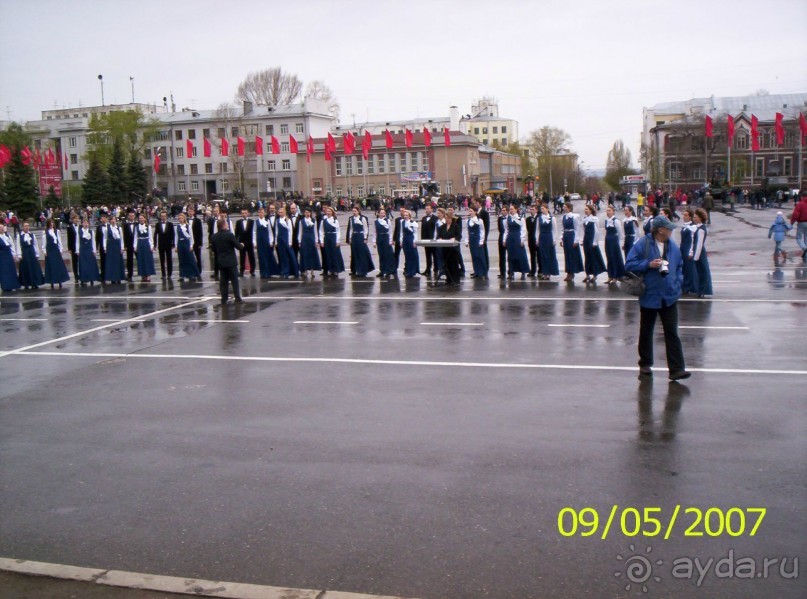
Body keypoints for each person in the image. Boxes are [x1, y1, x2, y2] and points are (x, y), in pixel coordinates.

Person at [625, 216, 690, 381]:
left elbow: (680, 266)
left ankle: (676, 369)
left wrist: (677, 283)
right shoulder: (643, 244)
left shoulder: (672, 246)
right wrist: (648, 264)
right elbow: (629, 264)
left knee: (672, 332)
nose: (671, 230)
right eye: (669, 228)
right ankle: (645, 364)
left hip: (669, 295)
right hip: (650, 295)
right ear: (661, 230)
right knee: (646, 331)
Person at [210, 217, 243, 304]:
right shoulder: (229, 235)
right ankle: (237, 298)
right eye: (227, 224)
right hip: (231, 261)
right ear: (224, 225)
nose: (228, 225)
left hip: (221, 261)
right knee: (234, 280)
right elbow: (238, 246)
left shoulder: (214, 237)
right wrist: (242, 244)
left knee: (223, 282)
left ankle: (224, 299)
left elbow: (213, 249)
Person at [581, 204, 607, 284]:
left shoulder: (595, 219)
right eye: (585, 209)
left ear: (591, 210)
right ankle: (587, 274)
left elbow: (597, 231)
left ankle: (595, 275)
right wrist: (582, 240)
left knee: (593, 257)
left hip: (592, 240)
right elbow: (582, 230)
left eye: (587, 209)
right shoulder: (584, 219)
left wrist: (595, 241)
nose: (585, 211)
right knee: (587, 257)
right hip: (586, 239)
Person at [690, 208, 713, 298]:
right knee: (701, 272)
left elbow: (699, 244)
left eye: (695, 217)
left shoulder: (701, 229)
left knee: (702, 272)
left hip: (699, 254)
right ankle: (701, 290)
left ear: (700, 218)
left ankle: (702, 290)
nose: (694, 218)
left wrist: (695, 257)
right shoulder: (700, 228)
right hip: (699, 253)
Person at [503, 204, 530, 280]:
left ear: (516, 209)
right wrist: (504, 239)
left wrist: (522, 239)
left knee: (520, 256)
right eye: (510, 209)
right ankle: (511, 272)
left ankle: (523, 272)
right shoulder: (508, 219)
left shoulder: (520, 218)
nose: (510, 210)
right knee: (511, 256)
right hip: (510, 238)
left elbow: (523, 229)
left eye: (512, 209)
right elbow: (506, 230)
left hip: (517, 237)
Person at [346, 206, 374, 277]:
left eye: (355, 211)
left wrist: (365, 238)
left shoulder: (363, 218)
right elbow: (351, 229)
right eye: (353, 211)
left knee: (362, 253)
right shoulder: (351, 219)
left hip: (360, 236)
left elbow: (366, 228)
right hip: (354, 236)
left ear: (358, 211)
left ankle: (362, 270)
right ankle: (355, 270)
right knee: (354, 253)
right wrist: (350, 238)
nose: (354, 212)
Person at [437, 207, 462, 285]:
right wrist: (440, 238)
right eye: (446, 218)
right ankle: (449, 279)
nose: (447, 219)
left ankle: (455, 279)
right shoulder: (442, 227)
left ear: (451, 218)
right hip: (445, 248)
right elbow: (439, 235)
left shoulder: (456, 226)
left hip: (453, 249)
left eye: (448, 218)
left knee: (454, 263)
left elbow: (459, 236)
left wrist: (454, 238)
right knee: (447, 263)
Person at [42, 218, 70, 289]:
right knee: (51, 266)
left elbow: (59, 241)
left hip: (56, 250)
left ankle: (60, 281)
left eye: (52, 222)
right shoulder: (45, 232)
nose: (52, 224)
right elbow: (44, 243)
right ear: (48, 224)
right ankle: (52, 282)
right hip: (50, 250)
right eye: (50, 223)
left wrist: (61, 250)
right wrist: (44, 251)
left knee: (58, 266)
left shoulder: (57, 231)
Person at [17, 221, 45, 289]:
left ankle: (35, 283)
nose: (27, 227)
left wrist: (37, 254)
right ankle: (26, 284)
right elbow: (18, 245)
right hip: (24, 252)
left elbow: (35, 244)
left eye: (27, 226)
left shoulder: (32, 235)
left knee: (33, 268)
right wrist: (19, 255)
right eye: (25, 226)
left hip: (31, 252)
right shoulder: (19, 235)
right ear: (23, 227)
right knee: (26, 268)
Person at [560, 202, 584, 282]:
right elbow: (562, 229)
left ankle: (572, 272)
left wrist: (576, 240)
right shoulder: (563, 217)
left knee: (572, 255)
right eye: (563, 207)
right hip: (566, 236)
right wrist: (561, 239)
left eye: (565, 207)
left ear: (569, 208)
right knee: (567, 255)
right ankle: (568, 272)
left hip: (572, 235)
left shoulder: (575, 217)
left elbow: (577, 229)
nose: (563, 208)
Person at [319, 206, 345, 277]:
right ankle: (330, 269)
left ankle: (336, 269)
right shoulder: (323, 221)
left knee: (335, 254)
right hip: (327, 238)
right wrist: (321, 241)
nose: (328, 212)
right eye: (327, 211)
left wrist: (337, 241)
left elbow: (338, 231)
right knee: (328, 254)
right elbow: (321, 231)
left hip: (333, 238)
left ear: (332, 212)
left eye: (329, 211)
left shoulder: (335, 221)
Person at [275, 206, 300, 279]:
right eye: (279, 212)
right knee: (283, 256)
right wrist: (276, 241)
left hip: (286, 239)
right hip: (280, 240)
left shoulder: (288, 220)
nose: (280, 213)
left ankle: (295, 271)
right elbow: (276, 231)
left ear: (285, 212)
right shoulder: (277, 220)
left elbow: (290, 231)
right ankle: (284, 271)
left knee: (291, 255)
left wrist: (290, 242)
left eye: (281, 212)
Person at [603, 205, 626, 284]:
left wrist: (621, 243)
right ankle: (610, 275)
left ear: (613, 212)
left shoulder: (615, 221)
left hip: (614, 241)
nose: (608, 212)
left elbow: (620, 233)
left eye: (609, 210)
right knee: (609, 258)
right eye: (607, 210)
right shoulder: (606, 220)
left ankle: (616, 276)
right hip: (608, 240)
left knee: (614, 258)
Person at [255, 207, 280, 278]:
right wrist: (254, 243)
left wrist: (271, 241)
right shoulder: (256, 222)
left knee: (268, 256)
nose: (261, 214)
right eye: (259, 212)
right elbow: (254, 233)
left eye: (262, 212)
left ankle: (269, 272)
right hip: (259, 241)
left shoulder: (267, 221)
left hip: (266, 241)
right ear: (258, 213)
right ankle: (263, 272)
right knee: (261, 257)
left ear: (264, 213)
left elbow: (270, 232)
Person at [175, 213, 201, 281]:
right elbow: (176, 237)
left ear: (184, 219)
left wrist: (191, 245)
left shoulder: (188, 226)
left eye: (182, 218)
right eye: (179, 218)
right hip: (180, 243)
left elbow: (191, 237)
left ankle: (192, 274)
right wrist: (176, 246)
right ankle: (182, 275)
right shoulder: (177, 227)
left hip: (186, 243)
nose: (181, 220)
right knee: (181, 260)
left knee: (190, 259)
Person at [536, 203, 559, 280]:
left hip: (549, 237)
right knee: (543, 255)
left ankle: (549, 272)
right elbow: (537, 230)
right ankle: (544, 272)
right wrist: (537, 239)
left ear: (547, 209)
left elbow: (555, 230)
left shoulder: (552, 218)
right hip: (542, 237)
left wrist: (554, 239)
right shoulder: (539, 218)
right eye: (541, 208)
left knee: (549, 255)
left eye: (543, 208)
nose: (542, 210)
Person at [298, 208, 322, 278]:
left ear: (310, 213)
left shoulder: (314, 221)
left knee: (312, 254)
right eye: (306, 212)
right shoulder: (301, 221)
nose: (307, 214)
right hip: (304, 239)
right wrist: (299, 241)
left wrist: (316, 241)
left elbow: (315, 231)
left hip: (312, 239)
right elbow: (300, 232)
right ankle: (305, 270)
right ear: (304, 213)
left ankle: (312, 270)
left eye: (308, 212)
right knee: (305, 254)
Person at [76, 217, 100, 286]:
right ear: (82, 224)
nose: (86, 224)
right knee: (83, 265)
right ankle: (84, 279)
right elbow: (77, 242)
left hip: (89, 249)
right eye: (84, 223)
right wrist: (77, 250)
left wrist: (94, 250)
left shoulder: (91, 231)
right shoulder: (79, 231)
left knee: (90, 265)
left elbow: (93, 242)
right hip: (83, 250)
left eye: (87, 223)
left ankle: (92, 278)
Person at [679, 209, 698, 294]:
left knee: (689, 269)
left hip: (688, 248)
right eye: (684, 215)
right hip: (683, 248)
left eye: (686, 215)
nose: (684, 216)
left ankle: (690, 286)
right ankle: (684, 286)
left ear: (690, 216)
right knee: (684, 268)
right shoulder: (684, 226)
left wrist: (691, 251)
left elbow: (693, 240)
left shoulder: (693, 226)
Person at [103, 215, 125, 285]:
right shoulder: (107, 228)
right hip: (110, 247)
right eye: (112, 219)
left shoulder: (119, 228)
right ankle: (112, 278)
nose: (113, 221)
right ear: (110, 221)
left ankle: (119, 277)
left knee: (118, 263)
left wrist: (122, 247)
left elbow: (121, 239)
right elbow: (105, 238)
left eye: (114, 219)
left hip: (117, 247)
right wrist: (105, 247)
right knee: (111, 263)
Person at [374, 208, 396, 279]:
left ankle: (388, 270)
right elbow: (375, 232)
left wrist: (390, 240)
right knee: (381, 255)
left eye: (384, 213)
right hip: (379, 238)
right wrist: (374, 241)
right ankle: (382, 270)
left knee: (387, 255)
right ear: (378, 213)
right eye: (381, 213)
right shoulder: (376, 222)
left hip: (386, 238)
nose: (383, 214)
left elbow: (390, 231)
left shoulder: (388, 220)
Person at [466, 206, 487, 279]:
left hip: (477, 239)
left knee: (480, 256)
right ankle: (476, 271)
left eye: (471, 211)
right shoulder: (468, 220)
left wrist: (481, 240)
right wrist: (467, 240)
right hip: (471, 239)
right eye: (469, 211)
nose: (470, 212)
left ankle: (483, 271)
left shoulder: (479, 220)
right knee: (474, 256)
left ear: (475, 212)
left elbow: (482, 231)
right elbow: (467, 231)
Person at [153, 210, 175, 280]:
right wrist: (155, 244)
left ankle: (169, 274)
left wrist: (173, 243)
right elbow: (155, 234)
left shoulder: (170, 224)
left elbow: (173, 234)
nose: (163, 217)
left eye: (164, 216)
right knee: (162, 260)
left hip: (168, 244)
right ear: (160, 217)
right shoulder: (157, 224)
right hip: (161, 244)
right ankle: (163, 274)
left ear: (166, 217)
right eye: (162, 216)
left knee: (169, 259)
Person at [134, 213, 156, 282]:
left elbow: (150, 237)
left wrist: (151, 246)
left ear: (145, 219)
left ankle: (148, 274)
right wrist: (135, 246)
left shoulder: (148, 226)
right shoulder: (136, 227)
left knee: (147, 260)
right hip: (140, 243)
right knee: (141, 260)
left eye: (142, 218)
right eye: (140, 218)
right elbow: (135, 237)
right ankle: (143, 275)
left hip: (146, 243)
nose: (141, 219)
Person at [235, 208, 256, 277]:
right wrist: (236, 242)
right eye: (243, 213)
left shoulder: (252, 221)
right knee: (242, 257)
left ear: (248, 213)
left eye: (245, 213)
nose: (244, 214)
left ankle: (252, 270)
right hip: (242, 242)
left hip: (249, 242)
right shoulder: (238, 222)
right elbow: (236, 233)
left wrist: (254, 242)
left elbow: (254, 232)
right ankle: (241, 270)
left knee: (251, 256)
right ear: (241, 214)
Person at [0, 222, 21, 293]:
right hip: (2, 257)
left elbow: (11, 246)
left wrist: (14, 255)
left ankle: (12, 285)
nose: (2, 229)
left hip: (8, 255)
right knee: (4, 272)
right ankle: (6, 286)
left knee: (10, 270)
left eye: (2, 227)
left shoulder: (7, 236)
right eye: (0, 228)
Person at [420, 203, 438, 277]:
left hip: (433, 239)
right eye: (426, 208)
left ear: (431, 209)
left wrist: (436, 238)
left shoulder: (435, 218)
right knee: (427, 255)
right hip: (426, 239)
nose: (427, 210)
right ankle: (428, 269)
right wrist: (422, 240)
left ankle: (436, 268)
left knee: (435, 255)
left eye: (428, 208)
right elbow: (422, 229)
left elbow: (436, 229)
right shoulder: (424, 218)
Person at [401, 209, 420, 278]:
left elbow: (415, 233)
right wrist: (401, 241)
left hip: (411, 239)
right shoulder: (402, 222)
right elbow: (401, 233)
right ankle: (408, 271)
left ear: (409, 216)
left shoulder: (413, 223)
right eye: (404, 215)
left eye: (407, 215)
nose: (405, 216)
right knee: (407, 256)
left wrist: (415, 242)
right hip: (405, 240)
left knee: (413, 256)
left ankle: (413, 271)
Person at [187, 206, 204, 277]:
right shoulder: (186, 220)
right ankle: (191, 271)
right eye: (189, 211)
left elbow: (200, 232)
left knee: (198, 257)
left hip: (196, 242)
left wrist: (200, 243)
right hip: (188, 242)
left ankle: (199, 271)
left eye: (191, 211)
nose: (190, 213)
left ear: (194, 212)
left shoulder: (198, 220)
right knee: (189, 257)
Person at [790, 190, 807, 260]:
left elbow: (795, 214)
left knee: (798, 238)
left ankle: (804, 248)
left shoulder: (800, 204)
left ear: (802, 196)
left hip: (802, 222)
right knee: (806, 238)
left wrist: (792, 222)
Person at [122, 211, 138, 282]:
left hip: (137, 244)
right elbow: (124, 235)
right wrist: (125, 245)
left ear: (134, 216)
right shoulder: (125, 225)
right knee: (129, 260)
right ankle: (130, 274)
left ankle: (143, 274)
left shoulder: (137, 224)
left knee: (139, 259)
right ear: (128, 216)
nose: (131, 217)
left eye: (132, 215)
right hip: (128, 245)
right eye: (130, 216)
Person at [525, 204, 539, 278]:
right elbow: (528, 229)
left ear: (536, 210)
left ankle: (541, 270)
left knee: (539, 255)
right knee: (532, 256)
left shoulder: (539, 218)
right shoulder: (528, 219)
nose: (531, 211)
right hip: (531, 239)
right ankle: (533, 270)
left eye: (533, 209)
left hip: (537, 239)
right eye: (530, 209)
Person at [95, 212, 108, 282]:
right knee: (102, 261)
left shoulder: (109, 226)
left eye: (104, 218)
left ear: (106, 219)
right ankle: (103, 276)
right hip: (102, 247)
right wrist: (96, 247)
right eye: (101, 219)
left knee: (109, 261)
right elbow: (97, 238)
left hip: (109, 247)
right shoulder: (99, 227)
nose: (102, 220)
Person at [66, 214, 80, 280]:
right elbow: (69, 238)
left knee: (81, 261)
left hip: (80, 246)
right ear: (72, 220)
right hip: (74, 246)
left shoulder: (80, 227)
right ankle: (76, 275)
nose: (76, 220)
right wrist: (69, 248)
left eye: (77, 218)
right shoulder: (70, 228)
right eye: (75, 218)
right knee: (74, 261)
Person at [496, 207, 508, 278]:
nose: (502, 212)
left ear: (507, 211)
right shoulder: (500, 218)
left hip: (508, 238)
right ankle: (502, 272)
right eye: (502, 210)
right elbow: (500, 229)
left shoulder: (510, 218)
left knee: (510, 256)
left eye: (504, 210)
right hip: (501, 237)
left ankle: (510, 272)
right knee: (501, 256)